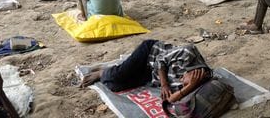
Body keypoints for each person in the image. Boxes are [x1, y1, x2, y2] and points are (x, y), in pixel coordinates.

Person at [79, 39, 211, 105]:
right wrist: (164, 85)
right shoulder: (189, 53)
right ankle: (102, 72)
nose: (181, 80)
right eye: (184, 77)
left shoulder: (191, 85)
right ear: (194, 71)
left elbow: (171, 99)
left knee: (115, 86)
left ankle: (112, 70)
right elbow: (160, 60)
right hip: (150, 53)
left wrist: (189, 87)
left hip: (151, 74)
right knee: (117, 75)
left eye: (184, 82)